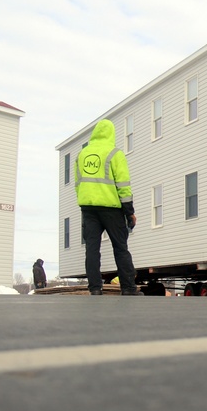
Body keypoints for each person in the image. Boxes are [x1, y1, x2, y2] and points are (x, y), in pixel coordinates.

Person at [75, 120, 139, 295]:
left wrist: (85, 201)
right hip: (111, 208)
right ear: (112, 134)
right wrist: (129, 213)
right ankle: (128, 288)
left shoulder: (82, 155)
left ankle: (95, 289)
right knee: (120, 248)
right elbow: (123, 186)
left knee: (92, 250)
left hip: (88, 209)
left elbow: (77, 184)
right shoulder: (115, 154)